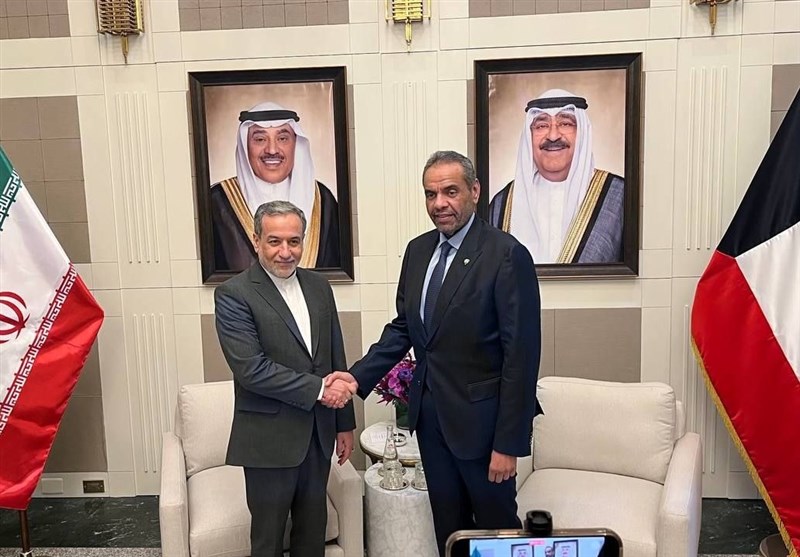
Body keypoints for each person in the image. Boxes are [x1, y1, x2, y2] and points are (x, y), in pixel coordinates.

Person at [328, 151, 542, 555]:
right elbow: (405, 327)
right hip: (432, 424)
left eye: (450, 191)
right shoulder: (418, 250)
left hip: (484, 428)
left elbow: (522, 357)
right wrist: (357, 377)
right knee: (449, 529)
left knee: (497, 533)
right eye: (430, 194)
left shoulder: (506, 255)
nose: (439, 203)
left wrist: (508, 444)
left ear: (475, 191)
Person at [214, 200, 356, 557]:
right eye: (275, 241)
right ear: (256, 239)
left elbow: (334, 355)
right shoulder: (234, 294)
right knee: (269, 540)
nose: (285, 252)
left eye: (294, 241)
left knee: (312, 535)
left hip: (318, 436)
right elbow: (251, 369)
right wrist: (321, 390)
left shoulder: (319, 286)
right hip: (268, 441)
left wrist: (344, 423)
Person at [489, 89, 625, 265]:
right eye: (541, 126)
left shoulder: (619, 196)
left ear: (582, 132)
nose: (553, 135)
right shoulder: (502, 204)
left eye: (566, 124)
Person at [210, 101, 340, 272]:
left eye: (282, 138)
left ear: (296, 143)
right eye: (260, 139)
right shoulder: (217, 200)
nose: (272, 150)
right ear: (245, 146)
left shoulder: (323, 199)